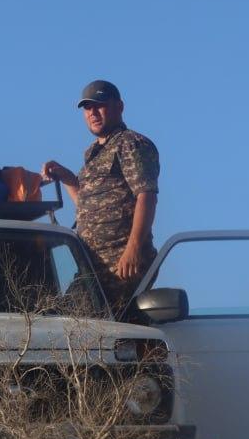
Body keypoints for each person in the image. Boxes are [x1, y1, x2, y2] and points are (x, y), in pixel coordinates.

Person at [41, 80, 160, 319]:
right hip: (92, 266)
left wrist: (134, 249)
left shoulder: (131, 144)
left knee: (97, 330)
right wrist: (68, 179)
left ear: (119, 107)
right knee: (63, 320)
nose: (93, 113)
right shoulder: (93, 153)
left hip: (121, 264)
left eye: (100, 105)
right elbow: (90, 208)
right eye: (87, 108)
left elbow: (146, 196)